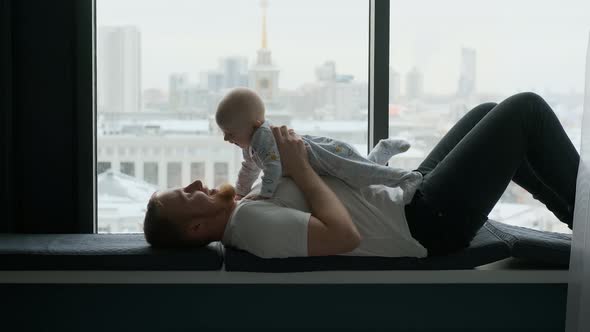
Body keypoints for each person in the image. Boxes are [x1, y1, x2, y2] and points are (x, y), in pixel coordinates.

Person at [143, 92, 579, 258]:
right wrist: (299, 170)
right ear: (197, 226)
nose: (196, 184)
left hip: (408, 200)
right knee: (526, 112)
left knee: (490, 115)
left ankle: (580, 218)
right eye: (186, 195)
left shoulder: (247, 207)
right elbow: (343, 237)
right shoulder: (250, 226)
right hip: (426, 224)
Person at [215, 87, 420, 203]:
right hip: (326, 158)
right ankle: (382, 151)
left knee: (361, 176)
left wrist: (264, 194)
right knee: (360, 175)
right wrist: (241, 192)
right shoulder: (249, 145)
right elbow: (249, 169)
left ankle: (407, 177)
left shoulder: (263, 137)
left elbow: (273, 168)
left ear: (255, 124)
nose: (226, 139)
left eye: (229, 133)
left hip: (327, 155)